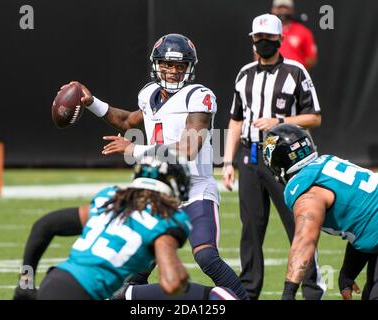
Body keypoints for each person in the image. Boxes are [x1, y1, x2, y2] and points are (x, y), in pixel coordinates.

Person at [59, 33, 249, 299]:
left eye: (179, 66)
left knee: (206, 256)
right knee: (139, 263)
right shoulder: (149, 94)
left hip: (194, 189)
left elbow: (188, 148)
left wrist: (134, 149)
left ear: (189, 68)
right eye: (167, 65)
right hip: (159, 193)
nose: (172, 71)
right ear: (156, 65)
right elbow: (126, 120)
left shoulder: (199, 96)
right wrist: (91, 103)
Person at [222, 13, 323, 300]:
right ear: (252, 40)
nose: (263, 42)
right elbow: (235, 120)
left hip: (286, 161)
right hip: (250, 156)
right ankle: (249, 291)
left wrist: (279, 120)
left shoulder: (295, 71)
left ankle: (312, 289)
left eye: (268, 38)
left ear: (279, 39)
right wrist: (228, 161)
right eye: (258, 37)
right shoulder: (244, 74)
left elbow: (314, 117)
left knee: (298, 224)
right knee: (251, 228)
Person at [36, 156, 192, 299]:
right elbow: (172, 284)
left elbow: (45, 225)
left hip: (55, 279)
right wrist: (183, 278)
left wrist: (26, 280)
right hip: (81, 293)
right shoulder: (166, 220)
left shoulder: (111, 198)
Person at [262, 123, 378, 300]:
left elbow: (305, 242)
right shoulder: (326, 163)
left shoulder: (307, 191)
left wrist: (288, 292)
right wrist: (347, 272)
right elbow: (365, 220)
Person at [271, 0, 318, 70]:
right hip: (271, 74)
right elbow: (258, 55)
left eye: (285, 8)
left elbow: (311, 58)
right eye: (279, 8)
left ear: (291, 10)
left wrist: (299, 72)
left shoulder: (303, 31)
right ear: (273, 10)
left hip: (295, 76)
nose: (282, 11)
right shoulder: (267, 31)